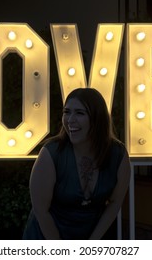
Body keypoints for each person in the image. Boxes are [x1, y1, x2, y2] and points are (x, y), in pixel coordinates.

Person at [22, 88, 131, 240]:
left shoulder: (118, 155)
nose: (70, 120)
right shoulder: (51, 153)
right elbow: (41, 210)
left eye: (79, 113)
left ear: (97, 118)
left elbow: (115, 204)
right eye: (67, 112)